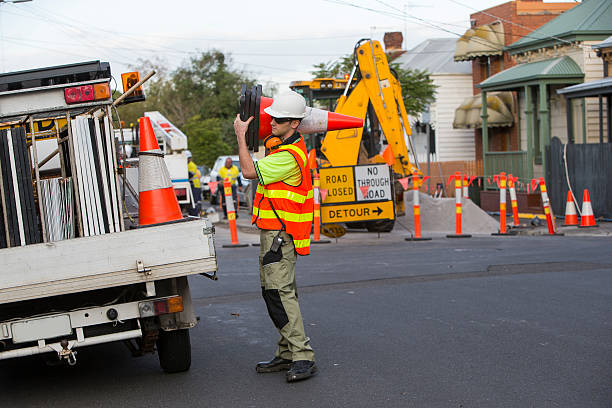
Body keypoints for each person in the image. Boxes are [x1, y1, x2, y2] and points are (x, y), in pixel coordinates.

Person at [233, 91, 317, 383]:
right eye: (272, 116)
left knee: (279, 294)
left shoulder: (288, 158)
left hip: (280, 236)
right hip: (278, 234)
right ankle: (286, 352)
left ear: (295, 123)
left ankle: (302, 355)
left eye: (279, 119)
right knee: (279, 292)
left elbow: (247, 170)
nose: (272, 121)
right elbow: (270, 145)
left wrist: (241, 136)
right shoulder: (286, 147)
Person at [186, 150, 201, 217]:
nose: (188, 159)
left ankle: (195, 215)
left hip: (195, 185)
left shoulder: (192, 165)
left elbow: (189, 175)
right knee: (192, 201)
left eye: (189, 158)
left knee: (194, 202)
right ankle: (192, 214)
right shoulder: (186, 164)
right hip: (192, 185)